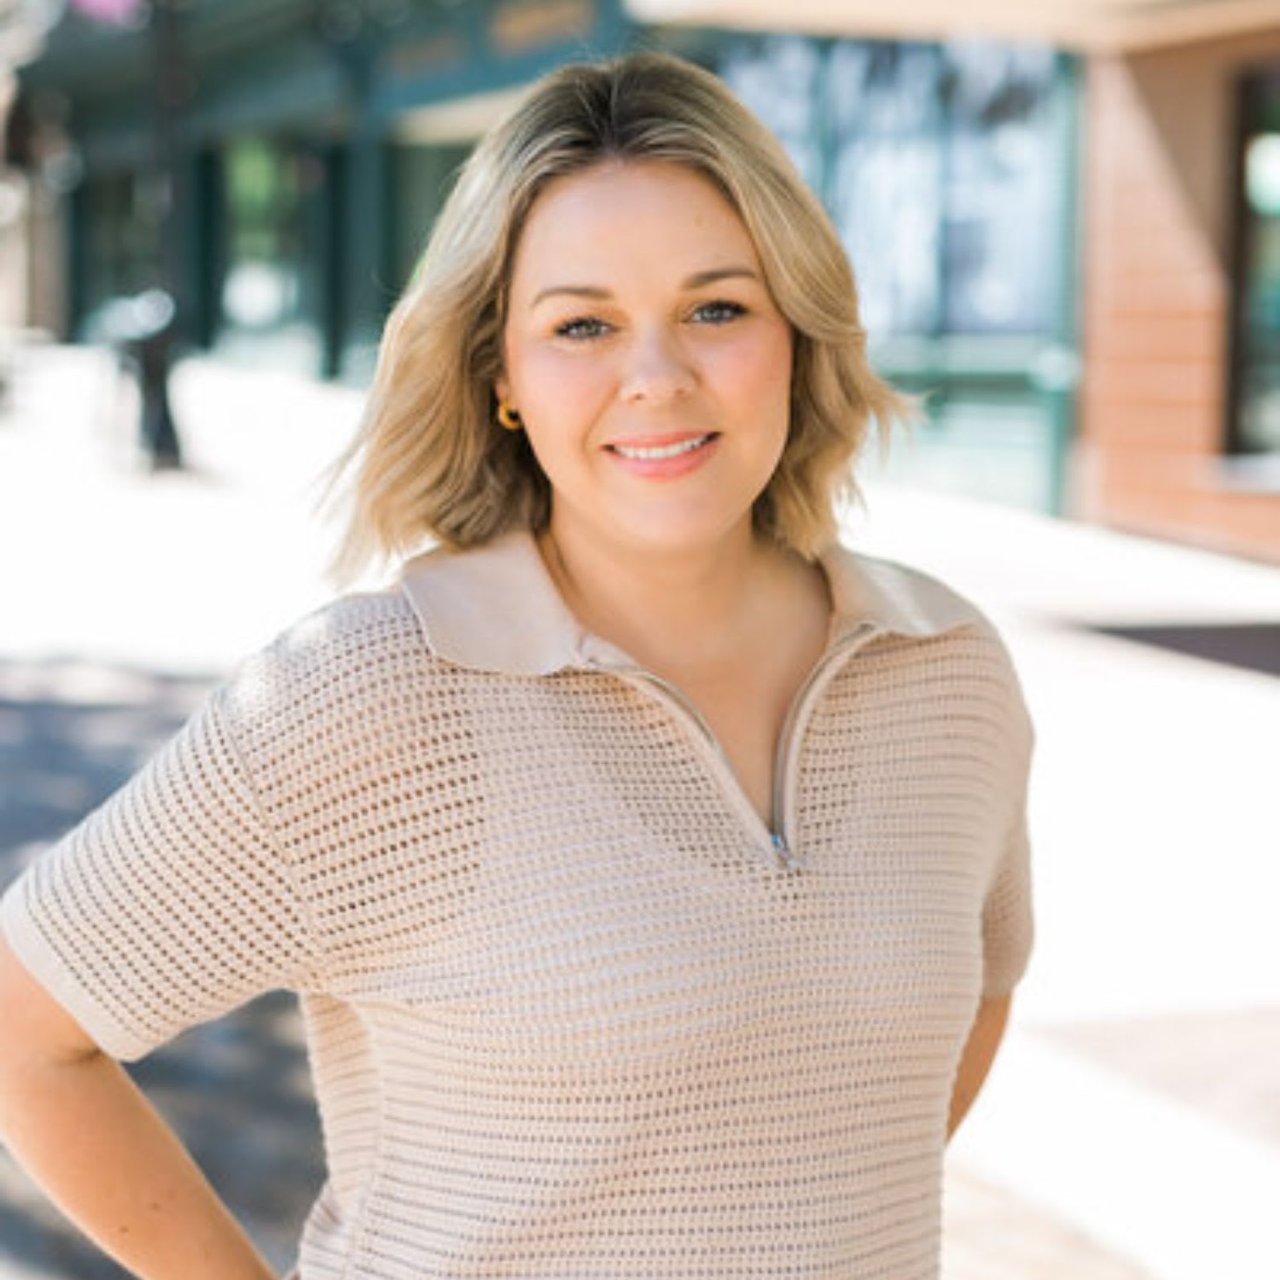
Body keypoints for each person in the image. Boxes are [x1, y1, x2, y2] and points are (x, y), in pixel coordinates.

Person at [0, 51, 1034, 1280]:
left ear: (798, 334)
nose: (654, 377)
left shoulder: (948, 669)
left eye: (716, 307)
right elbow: (25, 1033)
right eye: (580, 324)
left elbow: (971, 995)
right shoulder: (369, 696)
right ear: (500, 376)